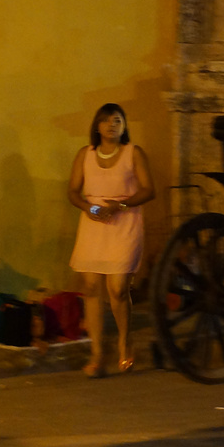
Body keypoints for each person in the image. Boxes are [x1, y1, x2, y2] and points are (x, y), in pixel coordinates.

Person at [67, 102, 156, 378]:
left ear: (124, 126)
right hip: (94, 223)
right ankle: (96, 354)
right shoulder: (85, 154)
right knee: (91, 286)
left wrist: (120, 206)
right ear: (97, 126)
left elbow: (148, 189)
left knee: (118, 288)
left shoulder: (133, 153)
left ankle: (125, 341)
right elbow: (73, 191)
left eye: (117, 121)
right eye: (106, 121)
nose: (112, 126)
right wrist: (89, 208)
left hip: (124, 222)